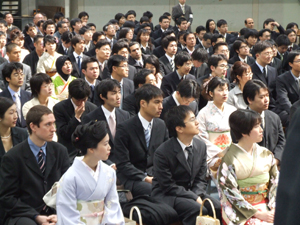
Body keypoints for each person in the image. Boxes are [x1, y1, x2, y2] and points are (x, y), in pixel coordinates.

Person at [0, 105, 69, 225]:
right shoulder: (13, 157)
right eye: (48, 124)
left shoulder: (60, 151)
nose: (53, 129)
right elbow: (7, 198)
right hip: (24, 214)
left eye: (54, 124)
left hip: (55, 211)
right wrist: (35, 216)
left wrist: (60, 214)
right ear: (33, 126)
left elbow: (68, 187)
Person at [152, 105, 222, 225]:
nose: (197, 123)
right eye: (192, 120)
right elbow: (168, 185)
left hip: (192, 191)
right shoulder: (163, 152)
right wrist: (193, 197)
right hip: (168, 195)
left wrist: (195, 194)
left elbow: (201, 178)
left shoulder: (201, 146)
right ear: (179, 128)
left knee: (217, 206)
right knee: (196, 209)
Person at [56, 121, 124, 225]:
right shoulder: (70, 177)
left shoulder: (109, 172)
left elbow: (113, 206)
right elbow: (67, 215)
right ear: (91, 149)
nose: (109, 147)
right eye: (105, 144)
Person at [218, 109, 278, 225]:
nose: (261, 130)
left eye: (260, 125)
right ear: (244, 132)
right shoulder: (230, 159)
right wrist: (258, 213)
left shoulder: (266, 154)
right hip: (241, 210)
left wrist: (274, 209)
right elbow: (230, 193)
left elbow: (275, 183)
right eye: (257, 127)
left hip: (267, 205)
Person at [114, 84, 168, 197]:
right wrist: (144, 178)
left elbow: (166, 155)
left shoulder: (161, 125)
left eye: (161, 102)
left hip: (156, 176)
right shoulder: (125, 128)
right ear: (143, 103)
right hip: (133, 178)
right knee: (155, 192)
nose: (161, 106)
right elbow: (123, 163)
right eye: (157, 102)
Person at [82, 79, 130, 166]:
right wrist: (110, 164)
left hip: (124, 164)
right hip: (102, 164)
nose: (118, 96)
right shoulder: (91, 118)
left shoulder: (125, 115)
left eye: (119, 92)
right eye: (113, 93)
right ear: (102, 96)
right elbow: (90, 148)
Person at [196, 77, 236, 170]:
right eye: (220, 90)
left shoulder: (232, 110)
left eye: (226, 89)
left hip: (231, 150)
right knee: (222, 166)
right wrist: (219, 153)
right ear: (211, 93)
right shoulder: (203, 113)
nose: (225, 93)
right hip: (212, 155)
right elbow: (200, 137)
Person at [53, 78, 97, 163]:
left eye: (84, 100)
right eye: (77, 100)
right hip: (69, 153)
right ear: (71, 96)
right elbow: (64, 134)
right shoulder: (59, 108)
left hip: (88, 153)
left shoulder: (92, 108)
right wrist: (76, 117)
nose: (81, 103)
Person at [242, 80, 285, 166]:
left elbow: (281, 142)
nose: (266, 100)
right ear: (250, 99)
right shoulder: (241, 119)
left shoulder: (274, 117)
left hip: (274, 165)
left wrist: (275, 160)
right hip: (251, 166)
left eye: (267, 96)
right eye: (261, 97)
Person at [0, 62, 31, 128]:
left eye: (22, 74)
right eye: (16, 75)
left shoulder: (29, 96)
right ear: (7, 78)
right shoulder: (1, 98)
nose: (20, 77)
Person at [275, 51, 300, 127]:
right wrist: (296, 113)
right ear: (290, 64)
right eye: (298, 61)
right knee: (294, 120)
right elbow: (283, 100)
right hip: (286, 110)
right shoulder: (282, 79)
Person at [251, 41, 278, 111]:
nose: (270, 56)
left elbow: (275, 92)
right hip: (256, 106)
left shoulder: (273, 70)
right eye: (267, 53)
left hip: (272, 106)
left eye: (271, 53)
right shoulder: (250, 71)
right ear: (257, 55)